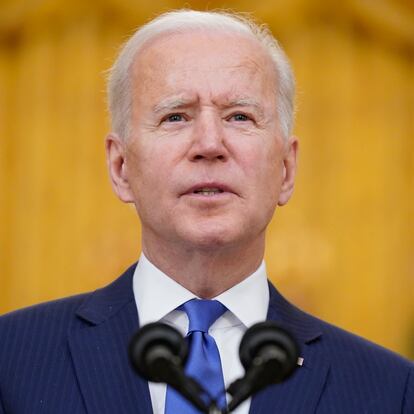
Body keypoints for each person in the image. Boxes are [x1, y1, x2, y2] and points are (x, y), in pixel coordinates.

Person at [0, 9, 412, 414]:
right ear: (120, 167)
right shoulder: (12, 358)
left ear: (286, 169)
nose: (210, 144)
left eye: (239, 116)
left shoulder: (390, 390)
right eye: (175, 116)